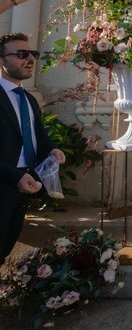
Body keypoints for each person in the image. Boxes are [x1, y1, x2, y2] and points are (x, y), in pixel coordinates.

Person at [0, 33, 66, 266]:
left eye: (33, 54)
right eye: (21, 54)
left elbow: (39, 136)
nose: (30, 59)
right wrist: (15, 176)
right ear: (2, 60)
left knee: (5, 247)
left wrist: (52, 151)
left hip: (23, 186)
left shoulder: (28, 99)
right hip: (5, 181)